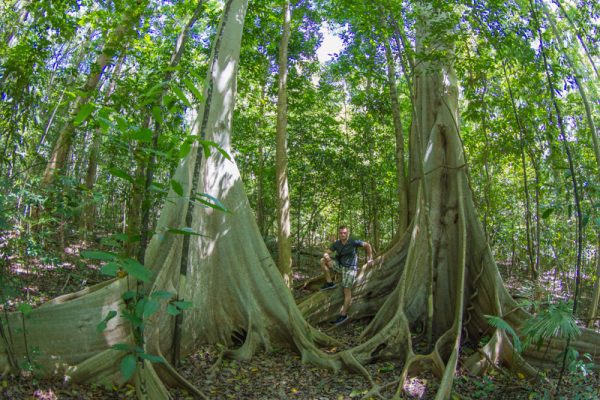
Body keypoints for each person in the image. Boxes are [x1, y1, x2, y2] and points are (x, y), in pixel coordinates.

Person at [320, 225, 373, 325]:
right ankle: (329, 283)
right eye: (341, 233)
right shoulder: (337, 244)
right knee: (322, 261)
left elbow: (367, 245)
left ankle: (343, 315)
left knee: (346, 291)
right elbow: (326, 253)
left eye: (344, 233)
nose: (342, 234)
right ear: (339, 233)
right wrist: (329, 259)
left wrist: (370, 258)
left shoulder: (353, 242)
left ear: (347, 233)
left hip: (350, 269)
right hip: (340, 267)